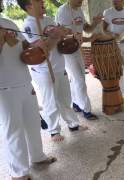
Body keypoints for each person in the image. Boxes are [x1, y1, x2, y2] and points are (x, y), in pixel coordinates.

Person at [0, 0, 57, 179]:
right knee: (13, 130)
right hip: (4, 88)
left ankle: (38, 157)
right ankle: (19, 172)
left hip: (25, 82)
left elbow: (24, 47)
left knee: (33, 123)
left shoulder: (8, 22)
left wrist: (39, 46)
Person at [18, 0, 88, 142]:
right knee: (50, 101)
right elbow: (41, 50)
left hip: (59, 65)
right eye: (38, 1)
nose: (42, 2)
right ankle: (54, 131)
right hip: (44, 70)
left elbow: (60, 36)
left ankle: (73, 124)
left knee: (65, 98)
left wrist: (66, 33)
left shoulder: (49, 19)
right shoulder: (29, 25)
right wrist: (55, 36)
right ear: (29, 6)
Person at [55, 0, 102, 120]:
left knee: (77, 79)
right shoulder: (63, 11)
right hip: (67, 51)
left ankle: (75, 103)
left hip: (76, 49)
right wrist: (88, 40)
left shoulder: (79, 9)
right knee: (79, 80)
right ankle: (86, 110)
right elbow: (63, 35)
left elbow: (87, 29)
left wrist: (95, 23)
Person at [102, 0, 124, 97]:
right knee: (115, 69)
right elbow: (103, 29)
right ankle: (118, 91)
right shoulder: (107, 12)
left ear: (122, 1)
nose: (114, 1)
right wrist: (111, 34)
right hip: (113, 45)